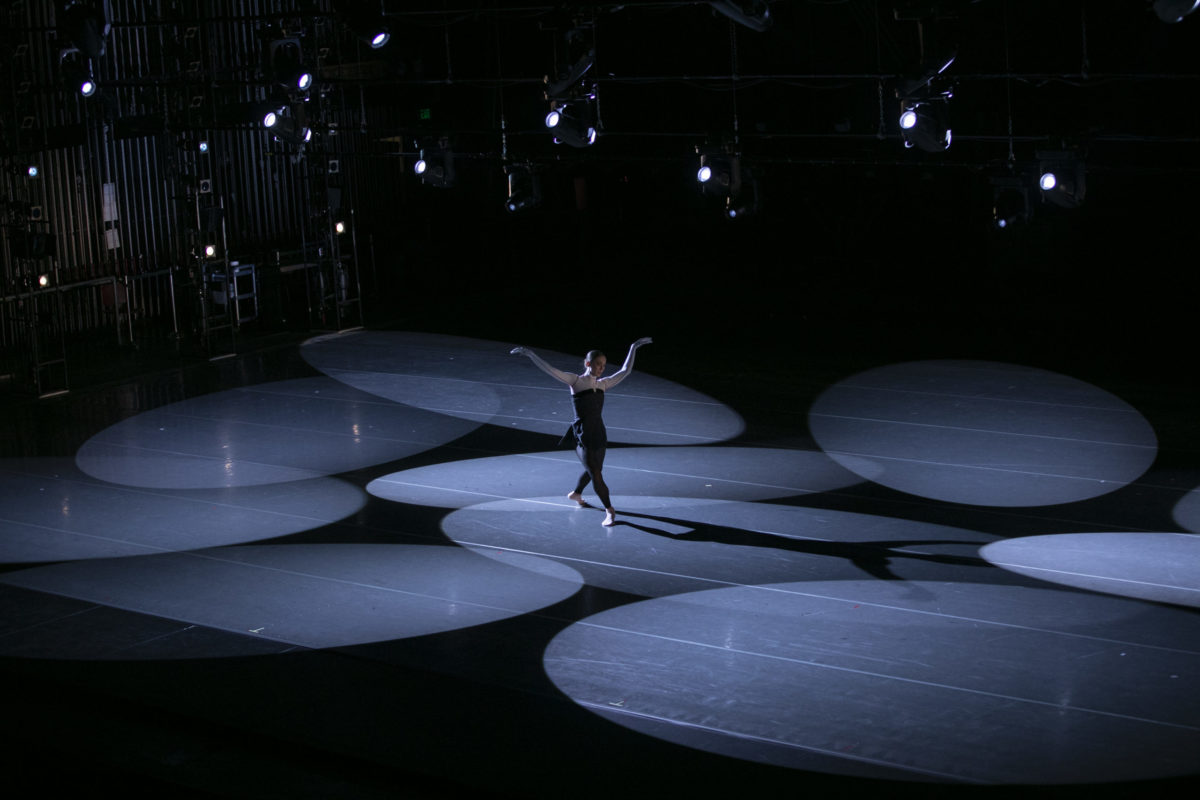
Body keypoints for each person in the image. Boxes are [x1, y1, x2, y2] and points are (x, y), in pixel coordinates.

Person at [510, 337, 653, 527]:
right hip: (582, 435)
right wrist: (530, 354)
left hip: (599, 432)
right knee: (596, 473)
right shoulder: (575, 381)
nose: (601, 368)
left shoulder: (603, 384)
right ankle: (610, 510)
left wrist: (634, 347)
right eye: (598, 364)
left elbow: (625, 371)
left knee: (596, 470)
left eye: (603, 365)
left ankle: (576, 494)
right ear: (587, 363)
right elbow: (551, 370)